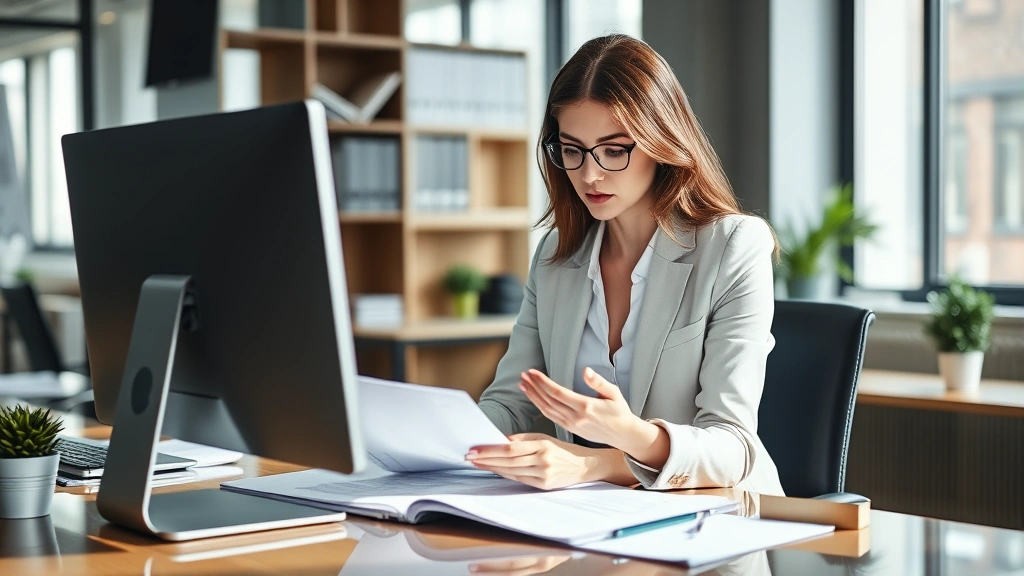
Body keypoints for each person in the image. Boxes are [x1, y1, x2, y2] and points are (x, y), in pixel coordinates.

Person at [469, 34, 785, 497]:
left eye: (614, 150)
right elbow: (511, 406)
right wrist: (437, 439)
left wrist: (603, 455)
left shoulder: (733, 246)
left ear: (661, 141)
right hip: (583, 521)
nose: (589, 174)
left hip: (713, 519)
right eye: (571, 149)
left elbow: (733, 447)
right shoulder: (556, 255)